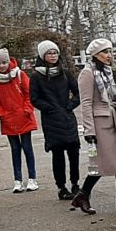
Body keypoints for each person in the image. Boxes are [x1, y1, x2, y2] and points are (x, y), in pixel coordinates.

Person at [73, 38, 116, 214]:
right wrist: (89, 130)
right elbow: (86, 103)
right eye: (105, 52)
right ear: (95, 54)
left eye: (110, 51)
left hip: (114, 120)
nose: (109, 55)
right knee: (101, 163)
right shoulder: (87, 73)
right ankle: (83, 195)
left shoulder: (106, 71)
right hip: (99, 123)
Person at [30, 40, 82, 201]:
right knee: (57, 155)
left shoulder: (65, 73)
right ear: (42, 56)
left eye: (55, 53)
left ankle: (75, 184)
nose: (53, 56)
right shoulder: (36, 76)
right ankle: (61, 187)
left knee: (74, 153)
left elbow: (78, 92)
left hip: (67, 118)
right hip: (51, 120)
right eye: (49, 53)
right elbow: (34, 98)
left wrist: (70, 106)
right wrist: (50, 108)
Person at [0, 48, 40, 193]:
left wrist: (27, 110)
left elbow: (29, 93)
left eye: (4, 62)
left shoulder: (19, 74)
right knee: (15, 149)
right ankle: (18, 180)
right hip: (8, 118)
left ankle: (32, 178)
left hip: (23, 117)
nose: (2, 65)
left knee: (27, 148)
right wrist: (1, 114)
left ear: (9, 61)